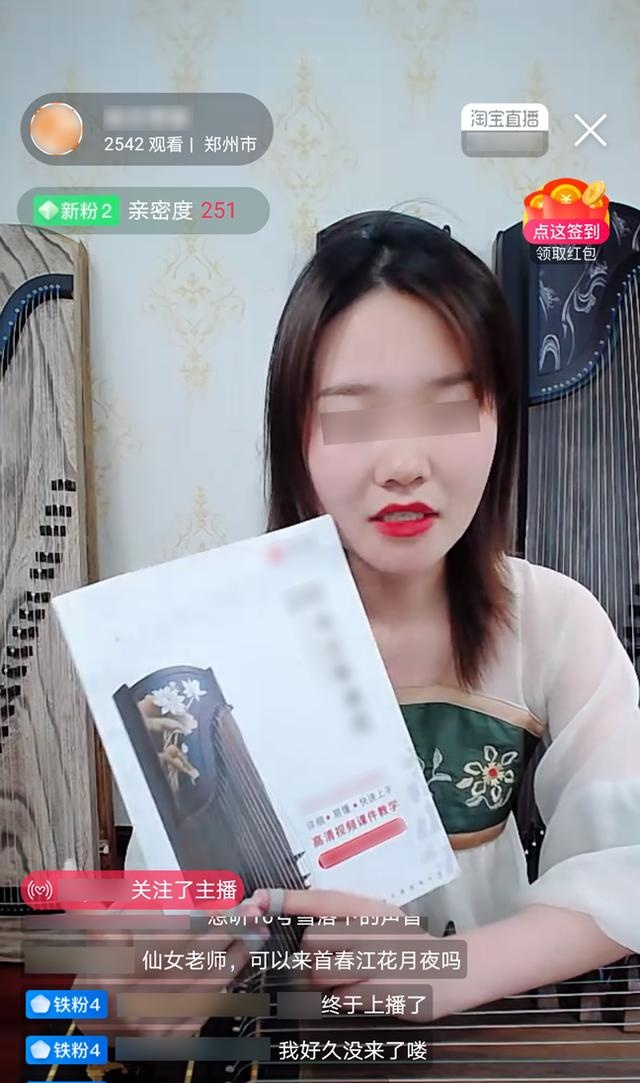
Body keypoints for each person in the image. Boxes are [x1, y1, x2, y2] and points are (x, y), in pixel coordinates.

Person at [124, 209, 640, 1021]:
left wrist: (443, 972)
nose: (403, 463)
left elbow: (627, 863)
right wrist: (159, 984)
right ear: (294, 437)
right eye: (355, 417)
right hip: (288, 1062)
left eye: (448, 406)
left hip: (481, 1046)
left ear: (501, 417)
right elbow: (156, 944)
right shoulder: (209, 652)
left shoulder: (553, 618)